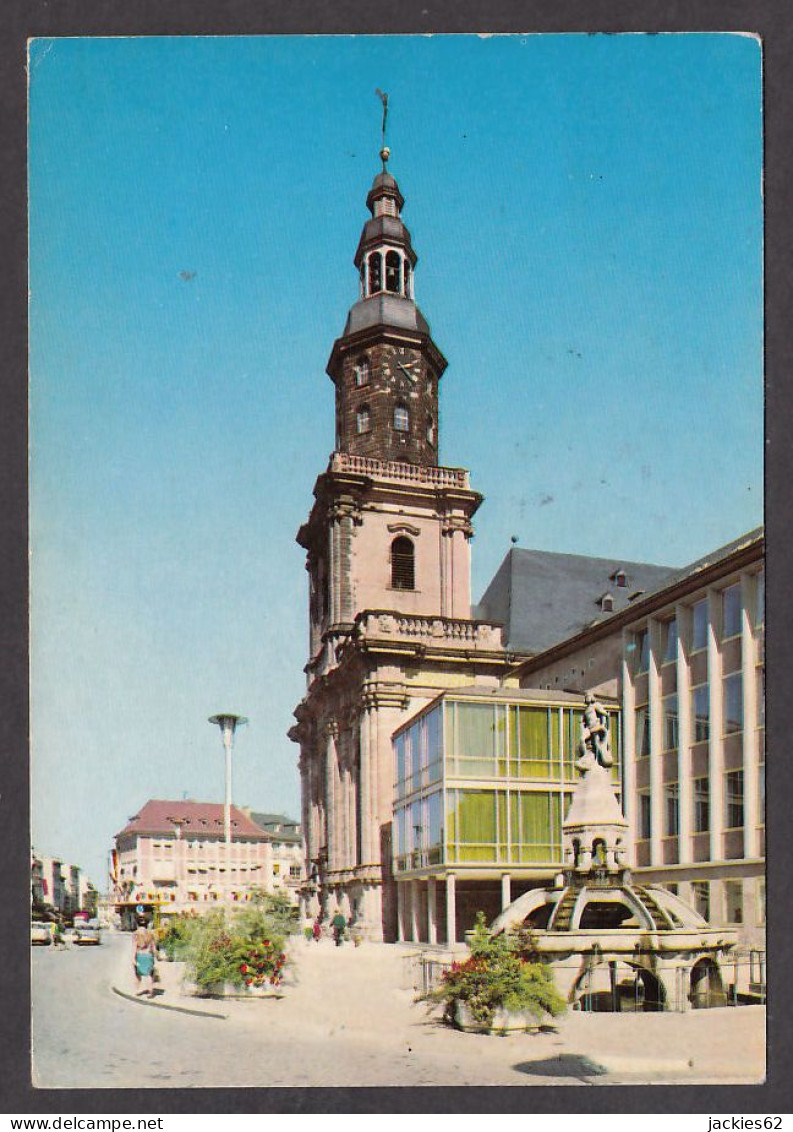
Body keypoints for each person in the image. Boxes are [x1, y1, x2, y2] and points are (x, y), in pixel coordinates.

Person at [132, 915, 157, 996]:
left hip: (140, 955)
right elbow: (153, 946)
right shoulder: (150, 933)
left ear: (137, 924)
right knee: (149, 974)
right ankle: (150, 991)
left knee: (138, 974)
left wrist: (133, 958)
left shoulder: (136, 933)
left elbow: (134, 946)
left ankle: (138, 990)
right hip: (148, 955)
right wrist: (156, 956)